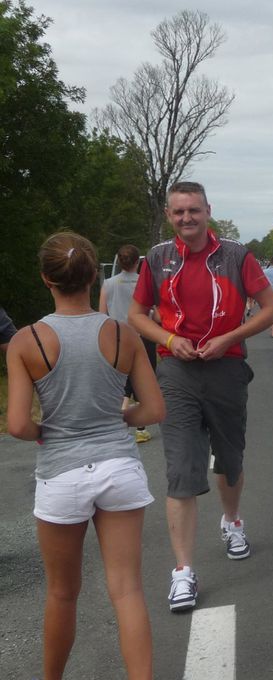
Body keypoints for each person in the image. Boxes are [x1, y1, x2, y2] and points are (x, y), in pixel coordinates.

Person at [6, 232, 165, 680]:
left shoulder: (27, 340)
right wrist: (121, 418)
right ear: (95, 275)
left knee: (62, 593)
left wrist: (47, 432)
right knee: (127, 589)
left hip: (62, 472)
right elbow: (154, 410)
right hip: (119, 468)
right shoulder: (123, 334)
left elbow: (17, 424)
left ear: (45, 279)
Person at [128, 181, 273, 612]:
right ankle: (183, 572)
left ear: (208, 211)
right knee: (180, 467)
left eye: (193, 211)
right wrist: (168, 337)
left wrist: (229, 337)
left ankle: (232, 520)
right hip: (176, 372)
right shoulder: (158, 258)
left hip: (226, 367)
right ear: (168, 214)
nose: (186, 219)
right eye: (178, 212)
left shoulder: (235, 256)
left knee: (230, 459)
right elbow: (136, 315)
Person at [100, 245, 158, 443]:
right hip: (144, 335)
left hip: (118, 336)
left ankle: (119, 419)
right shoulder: (145, 283)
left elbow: (102, 315)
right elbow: (156, 313)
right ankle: (140, 427)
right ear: (137, 262)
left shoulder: (108, 284)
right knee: (143, 379)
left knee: (122, 379)